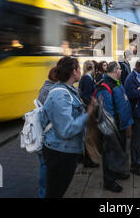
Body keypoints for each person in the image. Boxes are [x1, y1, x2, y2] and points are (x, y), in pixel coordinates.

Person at [40, 56, 94, 198]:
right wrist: (87, 114)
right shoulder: (60, 95)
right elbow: (66, 130)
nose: (80, 72)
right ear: (74, 71)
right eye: (79, 68)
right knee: (55, 193)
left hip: (64, 150)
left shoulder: (68, 90)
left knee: (57, 191)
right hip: (60, 153)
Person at [94, 62, 134, 192]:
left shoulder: (117, 82)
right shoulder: (104, 87)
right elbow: (105, 112)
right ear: (116, 70)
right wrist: (110, 131)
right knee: (110, 154)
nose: (121, 71)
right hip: (112, 128)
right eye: (120, 69)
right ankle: (109, 181)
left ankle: (119, 172)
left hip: (121, 125)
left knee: (120, 150)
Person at [36, 66, 58, 198]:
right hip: (47, 136)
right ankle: (44, 194)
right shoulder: (49, 91)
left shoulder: (47, 88)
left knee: (45, 165)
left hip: (46, 135)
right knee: (46, 167)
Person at [78, 60, 99, 168]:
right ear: (92, 68)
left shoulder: (86, 77)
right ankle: (88, 160)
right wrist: (92, 103)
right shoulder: (87, 78)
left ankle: (88, 158)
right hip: (88, 110)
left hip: (88, 109)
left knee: (88, 134)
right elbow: (87, 96)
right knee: (89, 135)